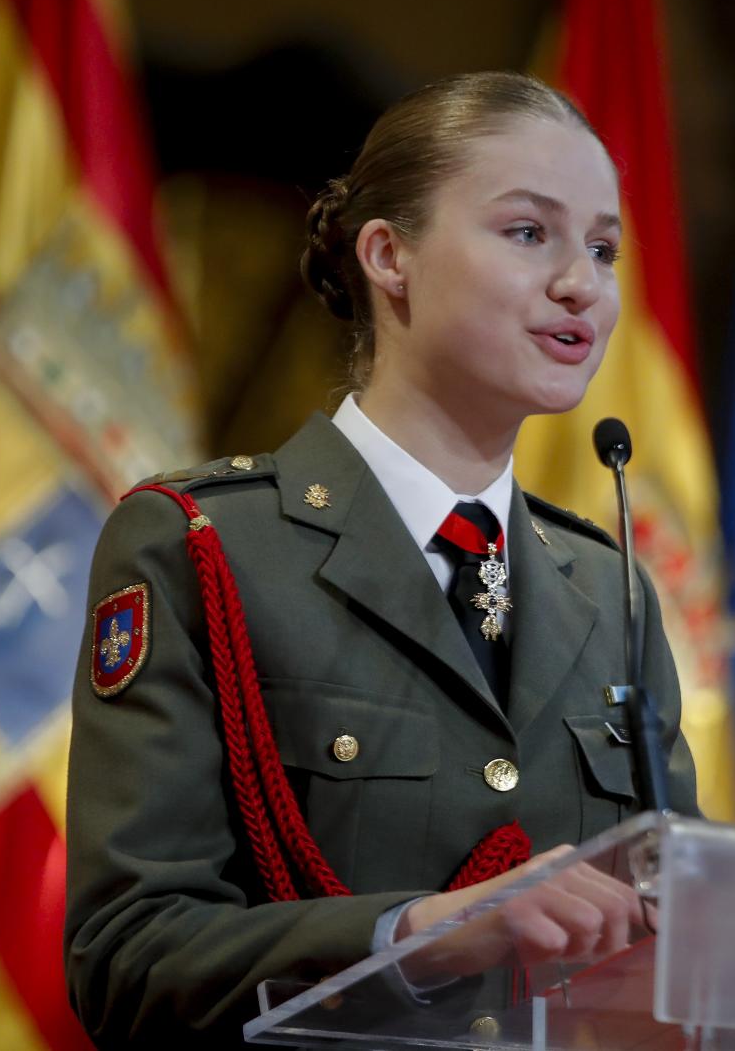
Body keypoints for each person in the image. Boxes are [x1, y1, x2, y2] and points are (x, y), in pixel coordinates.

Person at [63, 70, 701, 1048]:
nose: (582, 282)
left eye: (604, 247)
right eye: (529, 232)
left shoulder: (610, 594)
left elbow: (679, 940)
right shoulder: (203, 548)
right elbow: (128, 958)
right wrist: (416, 936)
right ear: (388, 256)